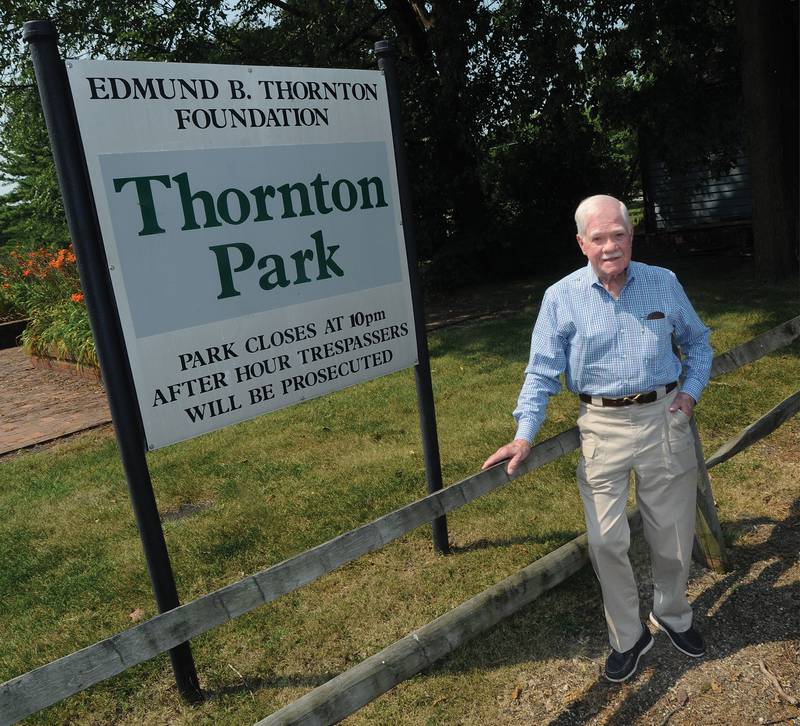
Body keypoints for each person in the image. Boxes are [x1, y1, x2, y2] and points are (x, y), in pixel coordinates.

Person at [482, 194, 713, 682]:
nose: (610, 245)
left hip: (662, 418)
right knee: (607, 540)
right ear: (582, 242)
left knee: (672, 534)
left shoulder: (663, 282)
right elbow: (541, 371)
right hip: (600, 426)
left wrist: (689, 394)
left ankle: (672, 615)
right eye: (599, 237)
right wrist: (525, 435)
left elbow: (697, 341)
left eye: (619, 234)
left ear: (631, 237)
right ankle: (629, 636)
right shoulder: (561, 297)